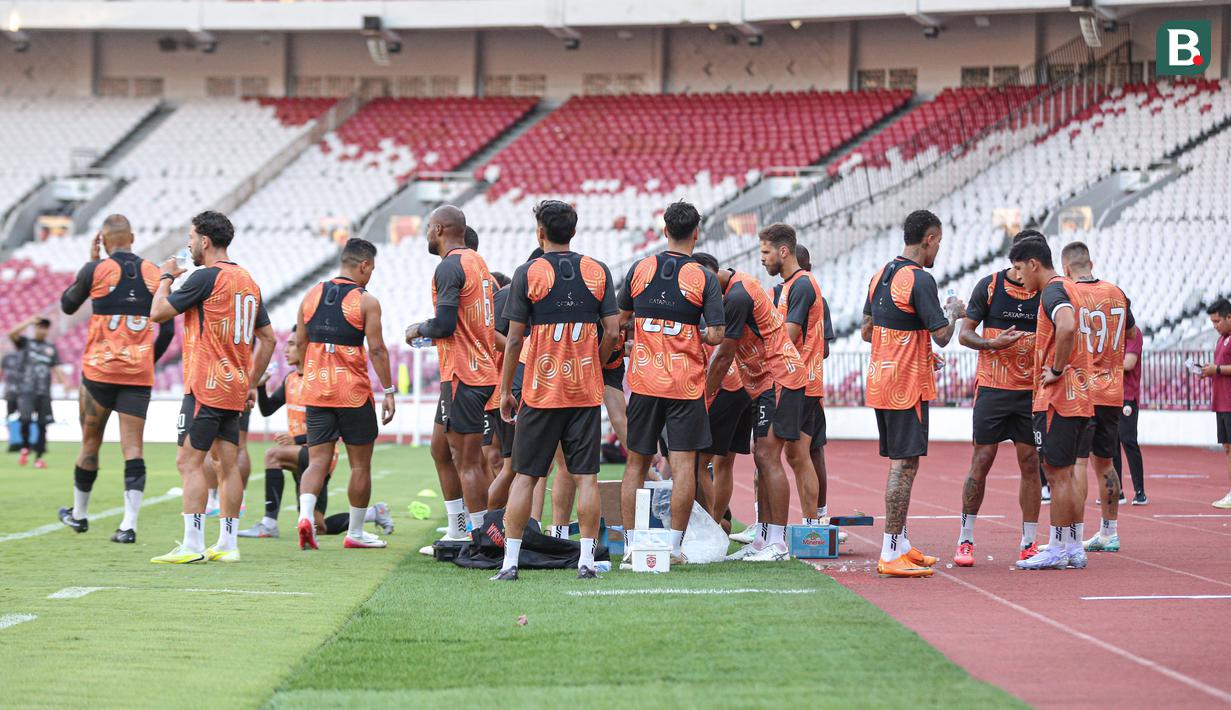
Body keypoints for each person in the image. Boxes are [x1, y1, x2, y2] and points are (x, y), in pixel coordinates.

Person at [491, 200, 621, 581]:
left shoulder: (527, 273)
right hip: (584, 391)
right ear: (574, 232)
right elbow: (612, 332)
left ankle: (510, 565)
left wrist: (504, 391)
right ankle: (584, 562)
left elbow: (514, 340)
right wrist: (592, 365)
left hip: (541, 391)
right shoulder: (597, 271)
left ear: (540, 232)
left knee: (525, 477)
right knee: (586, 478)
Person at [149, 210, 276, 564]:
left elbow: (157, 313)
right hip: (234, 388)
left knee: (188, 461)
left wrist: (165, 278)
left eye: (191, 237)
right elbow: (267, 339)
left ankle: (192, 544)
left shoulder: (205, 278)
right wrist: (250, 383)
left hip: (204, 386)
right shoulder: (248, 280)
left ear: (205, 241)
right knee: (227, 465)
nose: (189, 244)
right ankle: (228, 544)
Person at [618, 201, 724, 565]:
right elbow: (716, 335)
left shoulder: (641, 268)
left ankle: (632, 545)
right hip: (685, 385)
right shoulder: (704, 278)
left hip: (645, 382)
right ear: (696, 232)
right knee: (683, 467)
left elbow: (620, 318)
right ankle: (676, 549)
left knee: (635, 464)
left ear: (665, 230)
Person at [56, 215, 174, 542]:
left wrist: (90, 264)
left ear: (103, 240)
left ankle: (79, 515)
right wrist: (148, 359)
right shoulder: (154, 273)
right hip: (137, 374)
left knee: (90, 443)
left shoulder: (95, 270)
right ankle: (129, 525)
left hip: (99, 372)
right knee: (133, 448)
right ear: (132, 237)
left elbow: (67, 306)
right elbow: (168, 327)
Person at [861, 209, 962, 578]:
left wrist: (915, 349)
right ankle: (889, 552)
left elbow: (868, 330)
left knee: (906, 462)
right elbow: (943, 335)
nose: (938, 251)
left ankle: (901, 543)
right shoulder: (921, 280)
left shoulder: (880, 275)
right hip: (906, 386)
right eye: (939, 243)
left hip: (881, 378)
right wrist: (955, 312)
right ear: (930, 238)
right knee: (903, 465)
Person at [697, 253, 808, 562]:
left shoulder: (737, 295)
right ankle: (763, 539)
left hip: (779, 378)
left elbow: (724, 355)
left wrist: (704, 400)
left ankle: (777, 543)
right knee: (762, 458)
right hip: (763, 383)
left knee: (768, 457)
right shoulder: (735, 288)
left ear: (709, 277)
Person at [239, 327, 393, 539]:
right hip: (301, 453)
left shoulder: (319, 382)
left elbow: (334, 429)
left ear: (307, 347)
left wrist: (296, 439)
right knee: (318, 526)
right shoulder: (290, 379)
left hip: (318, 453)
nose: (286, 350)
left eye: (293, 344)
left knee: (272, 455)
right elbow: (267, 410)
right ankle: (373, 513)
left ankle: (268, 523)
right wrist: (262, 387)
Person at [294, 238, 396, 550]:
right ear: (363, 265)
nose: (371, 275)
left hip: (316, 392)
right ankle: (355, 532)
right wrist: (389, 391)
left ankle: (307, 517)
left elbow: (300, 342)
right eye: (372, 269)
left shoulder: (311, 296)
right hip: (352, 393)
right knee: (360, 466)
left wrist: (306, 373)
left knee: (316, 462)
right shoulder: (366, 301)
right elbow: (377, 349)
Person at [405, 205, 498, 540]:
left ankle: (479, 536)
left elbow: (444, 325)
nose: (427, 234)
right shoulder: (477, 263)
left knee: (468, 461)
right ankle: (464, 530)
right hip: (476, 371)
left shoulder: (450, 266)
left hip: (464, 374)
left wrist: (417, 329)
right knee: (442, 450)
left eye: (429, 228)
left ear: (440, 229)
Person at [952, 230, 1042, 567]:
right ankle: (965, 539)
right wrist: (993, 344)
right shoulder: (989, 287)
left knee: (1031, 463)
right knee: (982, 460)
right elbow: (965, 334)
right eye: (1018, 268)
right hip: (992, 389)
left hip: (1031, 393)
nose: (1023, 276)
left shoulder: (1045, 291)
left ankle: (1029, 542)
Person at [1010, 236, 1093, 570]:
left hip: (1059, 399)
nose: (1017, 277)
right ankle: (1072, 546)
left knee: (1057, 475)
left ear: (1033, 264)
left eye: (1019, 269)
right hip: (1081, 395)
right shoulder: (1070, 287)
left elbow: (1068, 325)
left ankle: (1058, 547)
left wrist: (1056, 368)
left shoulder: (1053, 291)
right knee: (1069, 475)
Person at [1062, 242, 1137, 553]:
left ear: (1066, 268)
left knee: (1078, 462)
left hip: (1082, 388)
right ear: (1091, 262)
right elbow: (1132, 333)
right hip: (1112, 388)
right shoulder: (1116, 292)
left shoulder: (1068, 293)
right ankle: (1109, 532)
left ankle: (1074, 535)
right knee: (1105, 462)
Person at [759, 224, 823, 529]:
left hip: (795, 380)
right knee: (798, 456)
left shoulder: (801, 285)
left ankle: (774, 534)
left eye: (766, 252)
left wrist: (756, 343)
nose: (763, 259)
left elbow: (790, 334)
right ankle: (811, 525)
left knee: (769, 453)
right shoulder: (793, 285)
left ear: (783, 251)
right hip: (803, 380)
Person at [7, 315, 64, 468]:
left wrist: (64, 383)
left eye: (45, 328)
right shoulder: (25, 343)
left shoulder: (50, 348)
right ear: (35, 328)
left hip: (44, 392)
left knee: (42, 424)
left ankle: (39, 458)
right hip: (26, 390)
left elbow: (56, 366)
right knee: (25, 420)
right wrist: (28, 322)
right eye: (40, 327)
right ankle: (25, 448)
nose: (43, 330)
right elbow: (11, 334)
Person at [1202, 298, 1231, 509]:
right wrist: (1208, 372)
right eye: (1212, 322)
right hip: (1221, 401)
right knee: (1228, 448)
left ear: (1229, 317)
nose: (1215, 326)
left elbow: (1222, 368)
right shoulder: (1221, 340)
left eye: (1217, 321)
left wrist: (1217, 370)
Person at [1113, 326, 1146, 505]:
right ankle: (1117, 491)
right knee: (1112, 443)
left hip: (1127, 396)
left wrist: (1105, 362)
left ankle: (1140, 490)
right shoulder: (1112, 332)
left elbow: (1129, 363)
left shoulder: (1133, 333)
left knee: (1128, 441)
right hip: (1111, 395)